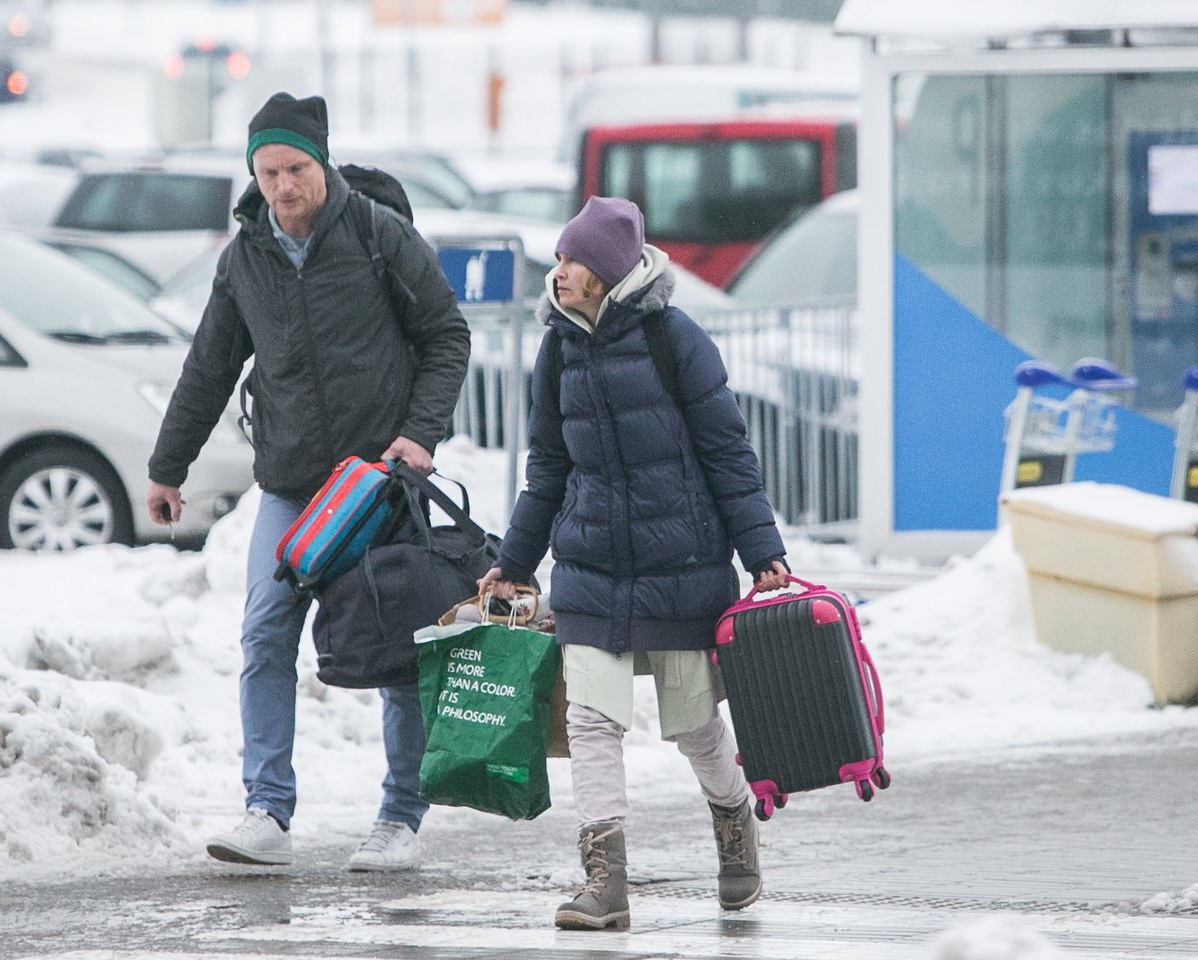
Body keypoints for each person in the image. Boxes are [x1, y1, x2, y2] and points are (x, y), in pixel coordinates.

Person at [147, 92, 470, 872]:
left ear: (320, 162)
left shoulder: (375, 235)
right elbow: (210, 367)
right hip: (293, 488)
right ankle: (266, 809)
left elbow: (445, 335)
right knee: (263, 635)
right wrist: (168, 467)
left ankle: (399, 818)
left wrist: (418, 435)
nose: (283, 187)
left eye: (295, 168)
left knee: (399, 648)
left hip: (380, 486)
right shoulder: (246, 255)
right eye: (268, 171)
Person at [477, 196, 791, 929]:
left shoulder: (675, 341)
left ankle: (735, 827)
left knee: (693, 724)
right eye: (556, 259)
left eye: (569, 261)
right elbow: (548, 466)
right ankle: (604, 882)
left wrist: (762, 551)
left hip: (679, 560)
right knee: (590, 720)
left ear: (608, 270)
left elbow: (727, 455)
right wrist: (517, 560)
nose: (557, 274)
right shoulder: (557, 348)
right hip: (590, 566)